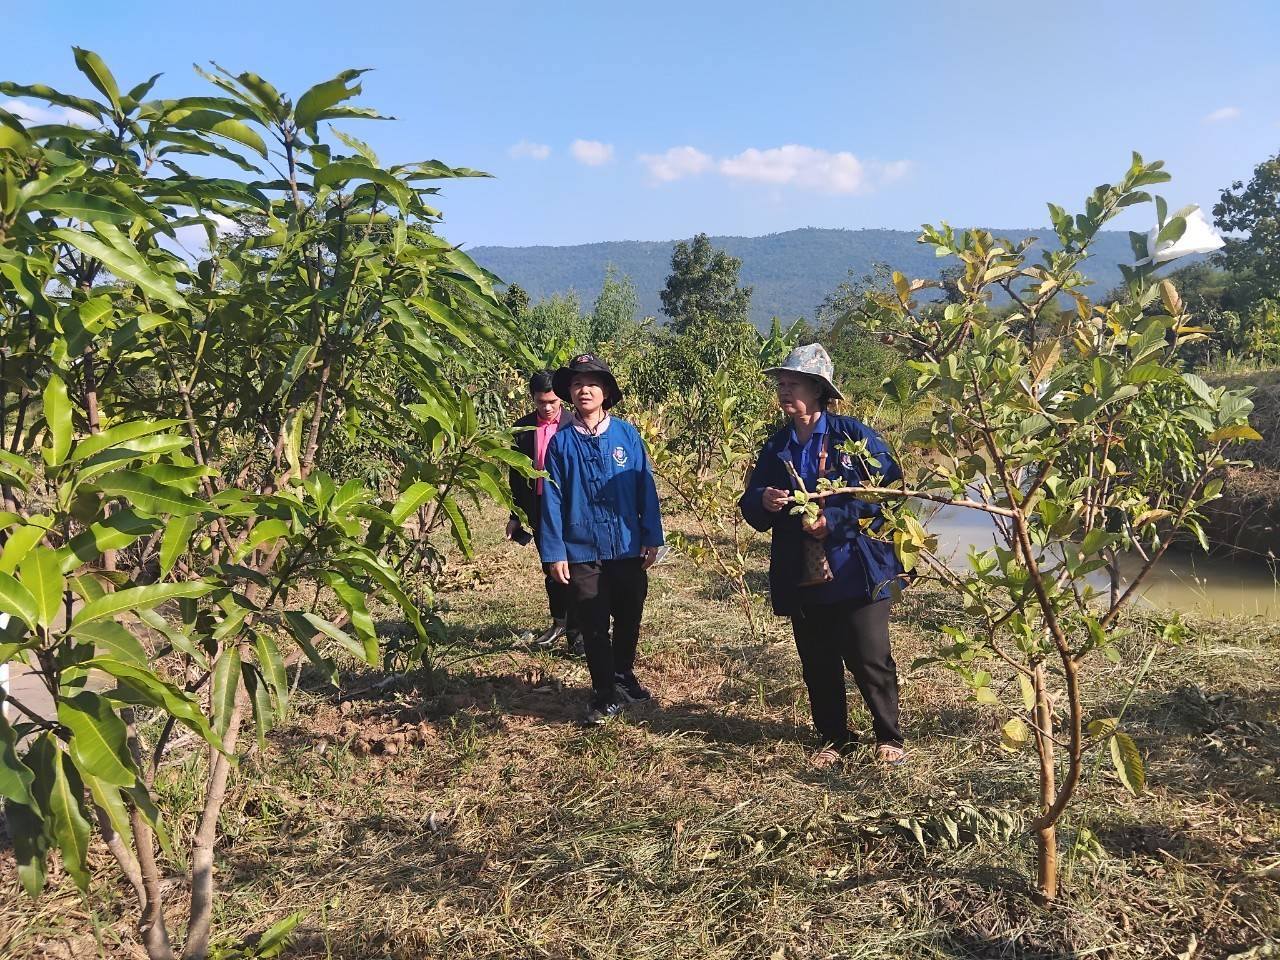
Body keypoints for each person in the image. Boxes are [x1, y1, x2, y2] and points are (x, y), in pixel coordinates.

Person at [738, 344, 907, 768]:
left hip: (857, 569)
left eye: (792, 382)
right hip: (803, 572)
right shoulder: (777, 446)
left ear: (817, 389)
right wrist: (766, 499)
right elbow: (751, 504)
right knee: (817, 660)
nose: (783, 390)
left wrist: (835, 519)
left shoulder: (854, 438)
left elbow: (885, 495)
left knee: (869, 656)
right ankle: (834, 737)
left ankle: (889, 736)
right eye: (780, 383)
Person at [538, 353, 665, 725]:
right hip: (582, 549)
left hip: (626, 545)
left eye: (592, 383)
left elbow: (645, 487)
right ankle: (604, 691)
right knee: (593, 622)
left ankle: (624, 676)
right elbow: (552, 499)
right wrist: (555, 552)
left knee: (629, 614)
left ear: (606, 391)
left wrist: (651, 536)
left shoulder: (626, 434)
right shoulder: (560, 445)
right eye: (577, 384)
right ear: (570, 394)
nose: (584, 390)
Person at [506, 371, 579, 652]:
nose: (547, 407)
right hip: (538, 509)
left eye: (552, 401)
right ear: (532, 399)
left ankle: (578, 634)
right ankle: (559, 622)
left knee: (576, 569)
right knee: (552, 569)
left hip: (570, 509)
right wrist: (515, 515)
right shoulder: (522, 429)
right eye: (540, 402)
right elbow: (515, 475)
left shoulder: (574, 425)